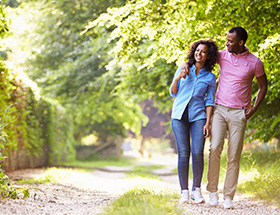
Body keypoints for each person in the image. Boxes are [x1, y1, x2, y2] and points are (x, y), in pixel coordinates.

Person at [181, 26, 267, 209]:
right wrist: (184, 64)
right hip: (219, 109)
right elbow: (199, 55)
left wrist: (253, 109)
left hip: (239, 113)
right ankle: (212, 191)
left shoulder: (254, 62)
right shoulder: (221, 55)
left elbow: (263, 87)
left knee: (234, 155)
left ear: (241, 42)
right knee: (214, 149)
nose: (226, 43)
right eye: (226, 40)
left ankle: (228, 196)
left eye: (230, 41)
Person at [169, 39, 218, 204]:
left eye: (203, 51)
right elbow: (173, 92)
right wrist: (178, 78)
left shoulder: (211, 77)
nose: (199, 53)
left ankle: (196, 190)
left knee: (197, 152)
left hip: (198, 116)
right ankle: (184, 191)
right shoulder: (184, 68)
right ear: (193, 52)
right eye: (197, 50)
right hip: (179, 116)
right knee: (184, 154)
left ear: (208, 56)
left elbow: (209, 100)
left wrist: (208, 122)